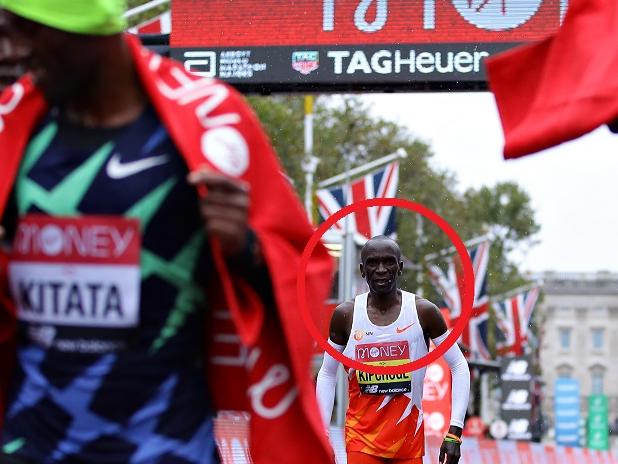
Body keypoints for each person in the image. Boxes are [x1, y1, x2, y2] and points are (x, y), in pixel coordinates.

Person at [0, 1, 333, 463]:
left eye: (25, 33)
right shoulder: (13, 123)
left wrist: (246, 248)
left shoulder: (211, 123)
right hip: (29, 444)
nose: (11, 53)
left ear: (83, 25)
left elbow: (304, 275)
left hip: (163, 445)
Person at [316, 236, 470, 464]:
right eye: (372, 263)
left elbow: (458, 366)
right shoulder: (345, 315)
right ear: (362, 269)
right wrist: (322, 434)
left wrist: (455, 432)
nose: (380, 270)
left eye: (388, 262)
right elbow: (327, 373)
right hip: (361, 442)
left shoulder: (423, 312)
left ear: (399, 268)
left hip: (408, 444)